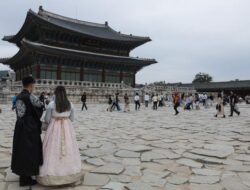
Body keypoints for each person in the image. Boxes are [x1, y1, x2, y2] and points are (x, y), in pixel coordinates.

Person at [37, 86, 82, 186]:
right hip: (67, 127)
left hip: (54, 127)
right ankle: (69, 173)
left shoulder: (52, 104)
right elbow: (72, 118)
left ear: (55, 93)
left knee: (52, 148)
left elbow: (47, 119)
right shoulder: (70, 104)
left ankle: (52, 174)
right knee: (69, 147)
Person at [11, 76, 44, 187]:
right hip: (29, 127)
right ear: (31, 85)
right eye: (34, 84)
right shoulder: (31, 97)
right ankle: (27, 178)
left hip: (19, 126)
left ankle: (23, 176)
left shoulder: (18, 96)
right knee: (30, 150)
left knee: (21, 150)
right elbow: (40, 107)